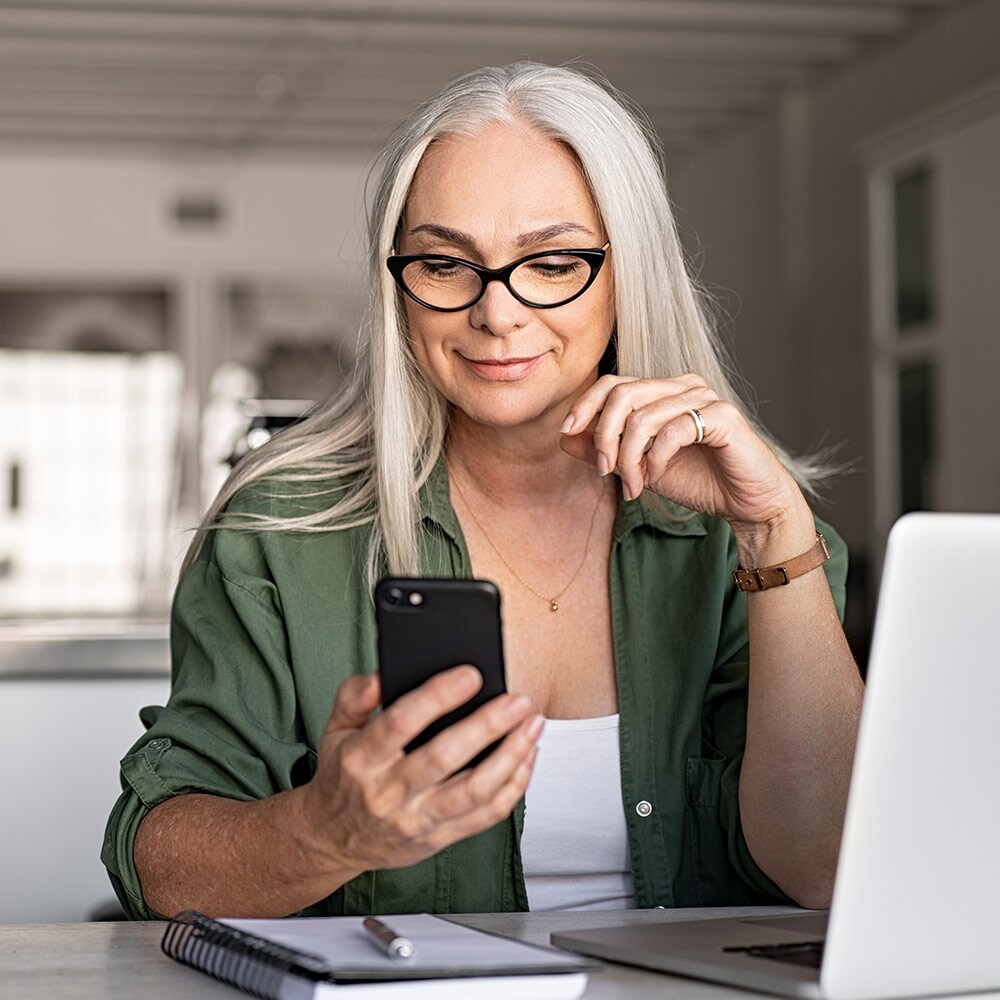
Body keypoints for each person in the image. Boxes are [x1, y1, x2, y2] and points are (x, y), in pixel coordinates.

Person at [103, 62, 864, 920]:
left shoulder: (753, 537)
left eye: (550, 263)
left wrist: (774, 534)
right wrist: (327, 832)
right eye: (443, 263)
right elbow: (157, 863)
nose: (496, 314)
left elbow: (829, 869)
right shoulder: (281, 526)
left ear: (628, 272)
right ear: (400, 289)